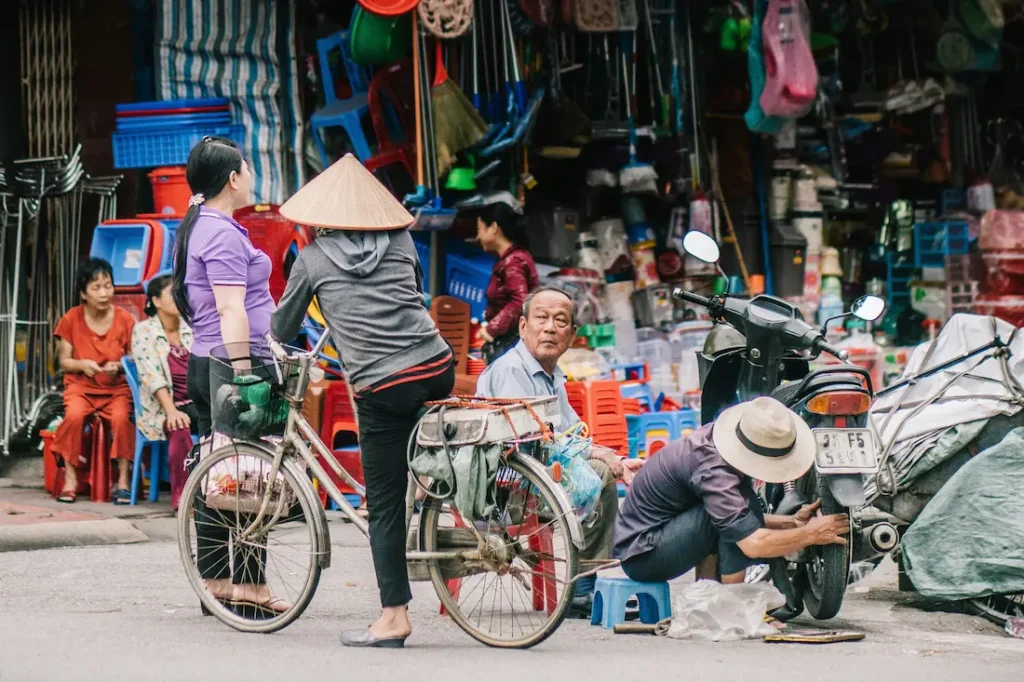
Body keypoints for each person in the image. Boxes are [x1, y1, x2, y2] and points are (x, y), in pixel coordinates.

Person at [271, 154, 454, 648]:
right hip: (437, 365)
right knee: (411, 458)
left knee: (384, 505)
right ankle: (422, 486)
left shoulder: (311, 258)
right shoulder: (400, 239)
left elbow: (283, 330)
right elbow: (411, 294)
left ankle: (393, 616)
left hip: (384, 384)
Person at [171, 136, 286, 614]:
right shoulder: (218, 232)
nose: (252, 177)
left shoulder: (211, 225)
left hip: (210, 360)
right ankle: (248, 585)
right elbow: (229, 307)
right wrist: (244, 374)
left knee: (219, 470)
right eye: (248, 169)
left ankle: (218, 582)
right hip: (230, 363)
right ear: (233, 179)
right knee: (249, 472)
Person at [475, 286, 642, 617]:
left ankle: (589, 581)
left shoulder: (553, 377)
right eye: (541, 318)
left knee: (610, 468)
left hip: (541, 472)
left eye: (560, 320)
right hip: (506, 486)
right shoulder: (512, 370)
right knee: (599, 475)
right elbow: (528, 440)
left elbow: (569, 435)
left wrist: (615, 457)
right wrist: (605, 461)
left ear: (572, 335)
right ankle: (583, 586)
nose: (550, 327)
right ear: (523, 326)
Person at [613, 396, 850, 584]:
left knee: (737, 513)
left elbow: (736, 513)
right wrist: (812, 534)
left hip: (657, 536)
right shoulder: (714, 469)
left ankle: (714, 595)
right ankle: (732, 604)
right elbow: (753, 543)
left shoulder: (718, 442)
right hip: (643, 555)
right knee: (735, 526)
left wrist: (791, 523)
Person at [53, 258, 136, 504]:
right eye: (96, 288)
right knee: (74, 417)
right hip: (81, 387)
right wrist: (82, 364)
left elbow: (134, 358)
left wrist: (118, 365)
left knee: (122, 420)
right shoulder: (70, 319)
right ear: (83, 293)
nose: (104, 293)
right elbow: (64, 362)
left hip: (115, 388)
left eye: (108, 286)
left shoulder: (125, 319)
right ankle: (70, 479)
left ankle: (122, 482)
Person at [130, 274, 195, 510]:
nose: (180, 298)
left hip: (195, 401)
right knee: (179, 425)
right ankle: (183, 495)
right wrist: (171, 411)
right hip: (162, 408)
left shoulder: (191, 327)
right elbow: (152, 377)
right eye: (173, 293)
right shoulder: (144, 331)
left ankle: (219, 492)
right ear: (156, 301)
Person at [464, 194, 539, 364]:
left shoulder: (513, 261)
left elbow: (520, 300)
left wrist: (492, 329)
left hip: (514, 343)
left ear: (494, 228)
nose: (478, 236)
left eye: (480, 229)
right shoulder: (510, 259)